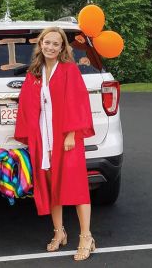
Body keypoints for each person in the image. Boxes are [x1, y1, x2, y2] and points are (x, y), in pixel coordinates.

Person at [14, 26, 96, 261]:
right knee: (52, 188)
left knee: (77, 187)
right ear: (40, 44)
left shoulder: (69, 70)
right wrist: (30, 136)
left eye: (55, 44)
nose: (50, 47)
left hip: (66, 139)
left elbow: (78, 101)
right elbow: (28, 106)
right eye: (46, 42)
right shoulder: (35, 72)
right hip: (43, 139)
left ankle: (86, 237)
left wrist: (71, 134)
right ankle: (59, 233)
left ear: (62, 48)